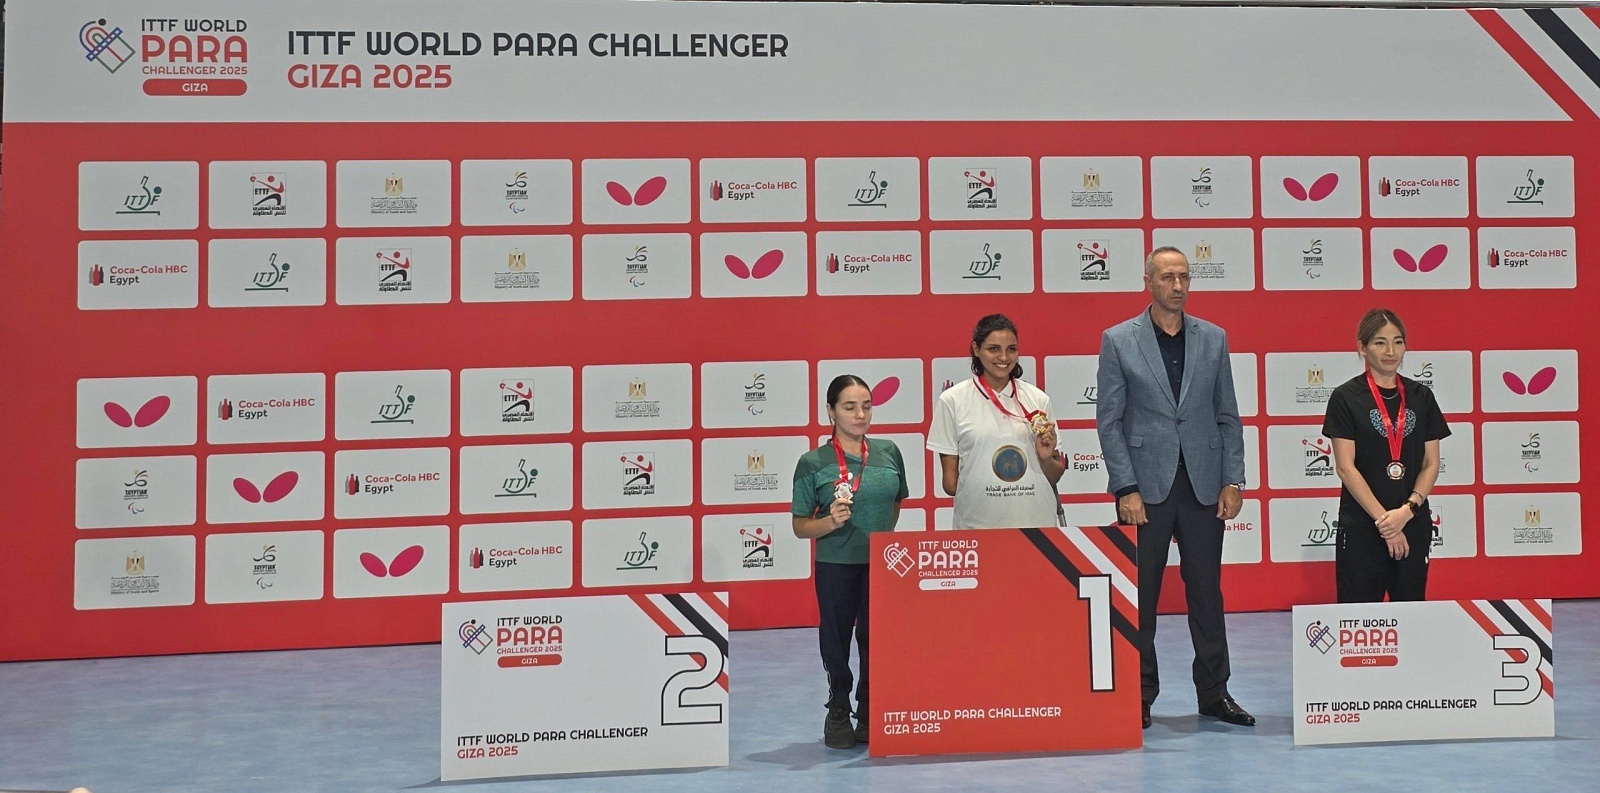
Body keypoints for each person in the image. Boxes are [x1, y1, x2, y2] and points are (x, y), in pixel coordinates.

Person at [1096, 246, 1253, 730]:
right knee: (1141, 595)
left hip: (1204, 484)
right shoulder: (1119, 340)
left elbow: (1228, 415)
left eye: (1184, 277)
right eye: (1167, 277)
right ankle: (1139, 694)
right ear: (1148, 281)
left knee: (1206, 592)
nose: (1178, 286)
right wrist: (1125, 486)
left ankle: (1215, 693)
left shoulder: (1214, 338)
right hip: (1145, 488)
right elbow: (1109, 421)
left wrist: (1233, 479)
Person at [791, 374, 909, 750]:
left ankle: (870, 710)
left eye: (866, 406)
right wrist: (830, 522)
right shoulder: (812, 462)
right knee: (836, 640)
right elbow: (799, 526)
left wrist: (881, 538)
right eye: (849, 407)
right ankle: (839, 708)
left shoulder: (889, 452)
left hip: (882, 566)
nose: (860, 414)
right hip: (836, 564)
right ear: (831, 411)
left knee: (875, 639)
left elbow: (895, 501)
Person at [1322, 308, 1449, 602]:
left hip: (1412, 521)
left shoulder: (1421, 396)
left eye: (1398, 342)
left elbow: (1431, 463)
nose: (1391, 351)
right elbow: (1345, 468)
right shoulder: (1345, 397)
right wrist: (1386, 524)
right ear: (1362, 348)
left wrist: (1407, 511)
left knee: (1411, 613)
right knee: (1359, 617)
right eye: (1380, 342)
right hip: (1363, 525)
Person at [928, 314, 1064, 529]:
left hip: (1037, 527)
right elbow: (951, 484)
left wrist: (1045, 459)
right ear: (976, 349)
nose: (1004, 357)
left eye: (1012, 349)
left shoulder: (1038, 399)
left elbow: (1054, 476)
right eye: (993, 349)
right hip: (978, 528)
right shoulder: (952, 400)